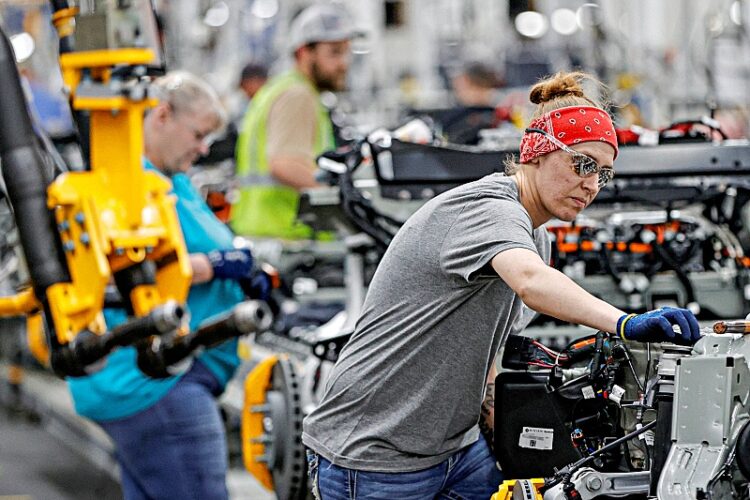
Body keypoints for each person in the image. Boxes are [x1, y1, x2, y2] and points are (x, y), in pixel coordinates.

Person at [301, 71, 701, 499]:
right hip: (375, 455)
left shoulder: (535, 235)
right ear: (537, 153)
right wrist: (625, 323)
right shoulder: (488, 208)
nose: (591, 184)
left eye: (603, 173)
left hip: (456, 450)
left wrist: (511, 428)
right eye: (582, 163)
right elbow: (532, 283)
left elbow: (490, 345)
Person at [67, 71, 268, 500]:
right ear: (161, 116)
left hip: (163, 381)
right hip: (157, 385)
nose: (203, 147)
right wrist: (221, 264)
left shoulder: (171, 179)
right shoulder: (130, 185)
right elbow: (145, 267)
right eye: (197, 134)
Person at [230, 3, 359, 240]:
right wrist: (348, 199)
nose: (344, 63)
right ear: (303, 53)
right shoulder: (297, 95)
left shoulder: (279, 88)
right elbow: (285, 164)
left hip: (266, 232)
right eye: (334, 52)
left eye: (346, 52)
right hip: (288, 237)